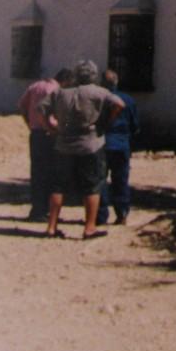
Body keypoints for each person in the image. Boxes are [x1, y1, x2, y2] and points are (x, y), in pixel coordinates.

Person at [42, 59, 124, 240]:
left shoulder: (60, 92)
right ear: (94, 75)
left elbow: (41, 108)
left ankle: (51, 227)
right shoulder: (100, 92)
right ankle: (89, 227)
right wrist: (106, 122)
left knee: (58, 186)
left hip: (63, 144)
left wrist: (50, 128)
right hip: (90, 143)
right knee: (92, 186)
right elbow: (119, 104)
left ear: (75, 75)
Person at [17, 68, 73, 221]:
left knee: (37, 172)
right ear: (66, 81)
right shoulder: (56, 91)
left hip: (35, 134)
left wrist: (29, 123)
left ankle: (37, 209)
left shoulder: (35, 86)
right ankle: (47, 211)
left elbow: (21, 105)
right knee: (52, 174)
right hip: (50, 134)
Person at [99, 68, 140, 225]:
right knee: (121, 180)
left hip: (103, 144)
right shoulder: (128, 100)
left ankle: (101, 215)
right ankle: (122, 213)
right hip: (121, 145)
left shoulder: (100, 99)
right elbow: (135, 126)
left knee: (100, 180)